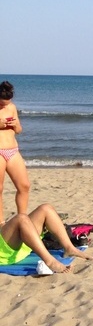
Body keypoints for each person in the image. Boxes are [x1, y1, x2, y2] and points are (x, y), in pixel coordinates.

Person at [0, 203, 93, 272]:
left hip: (19, 247)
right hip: (3, 255)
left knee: (46, 208)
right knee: (21, 219)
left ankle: (69, 248)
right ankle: (50, 261)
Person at [0, 81, 30, 223]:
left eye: (6, 103)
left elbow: (19, 131)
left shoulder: (12, 107)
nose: (4, 106)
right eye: (2, 104)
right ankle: (1, 223)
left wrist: (15, 124)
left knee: (24, 186)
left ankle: (22, 219)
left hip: (12, 150)